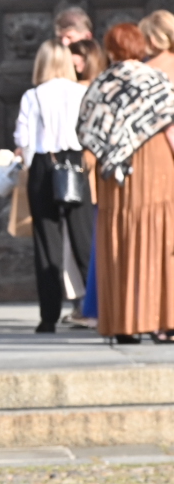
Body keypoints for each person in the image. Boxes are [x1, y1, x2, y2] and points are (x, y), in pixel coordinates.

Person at [77, 22, 174, 344]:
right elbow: (170, 126)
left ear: (110, 50)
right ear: (140, 46)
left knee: (119, 242)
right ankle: (166, 322)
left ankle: (124, 324)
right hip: (156, 163)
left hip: (116, 171)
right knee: (162, 239)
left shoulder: (102, 83)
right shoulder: (155, 79)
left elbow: (87, 130)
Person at [14, 41, 91, 332]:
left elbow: (23, 137)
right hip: (75, 162)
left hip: (45, 164)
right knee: (83, 238)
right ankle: (96, 307)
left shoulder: (33, 95)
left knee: (47, 242)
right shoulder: (82, 92)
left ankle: (48, 317)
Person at [71, 38, 107, 328]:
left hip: (92, 168)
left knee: (90, 238)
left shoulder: (93, 89)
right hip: (92, 168)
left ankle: (91, 305)